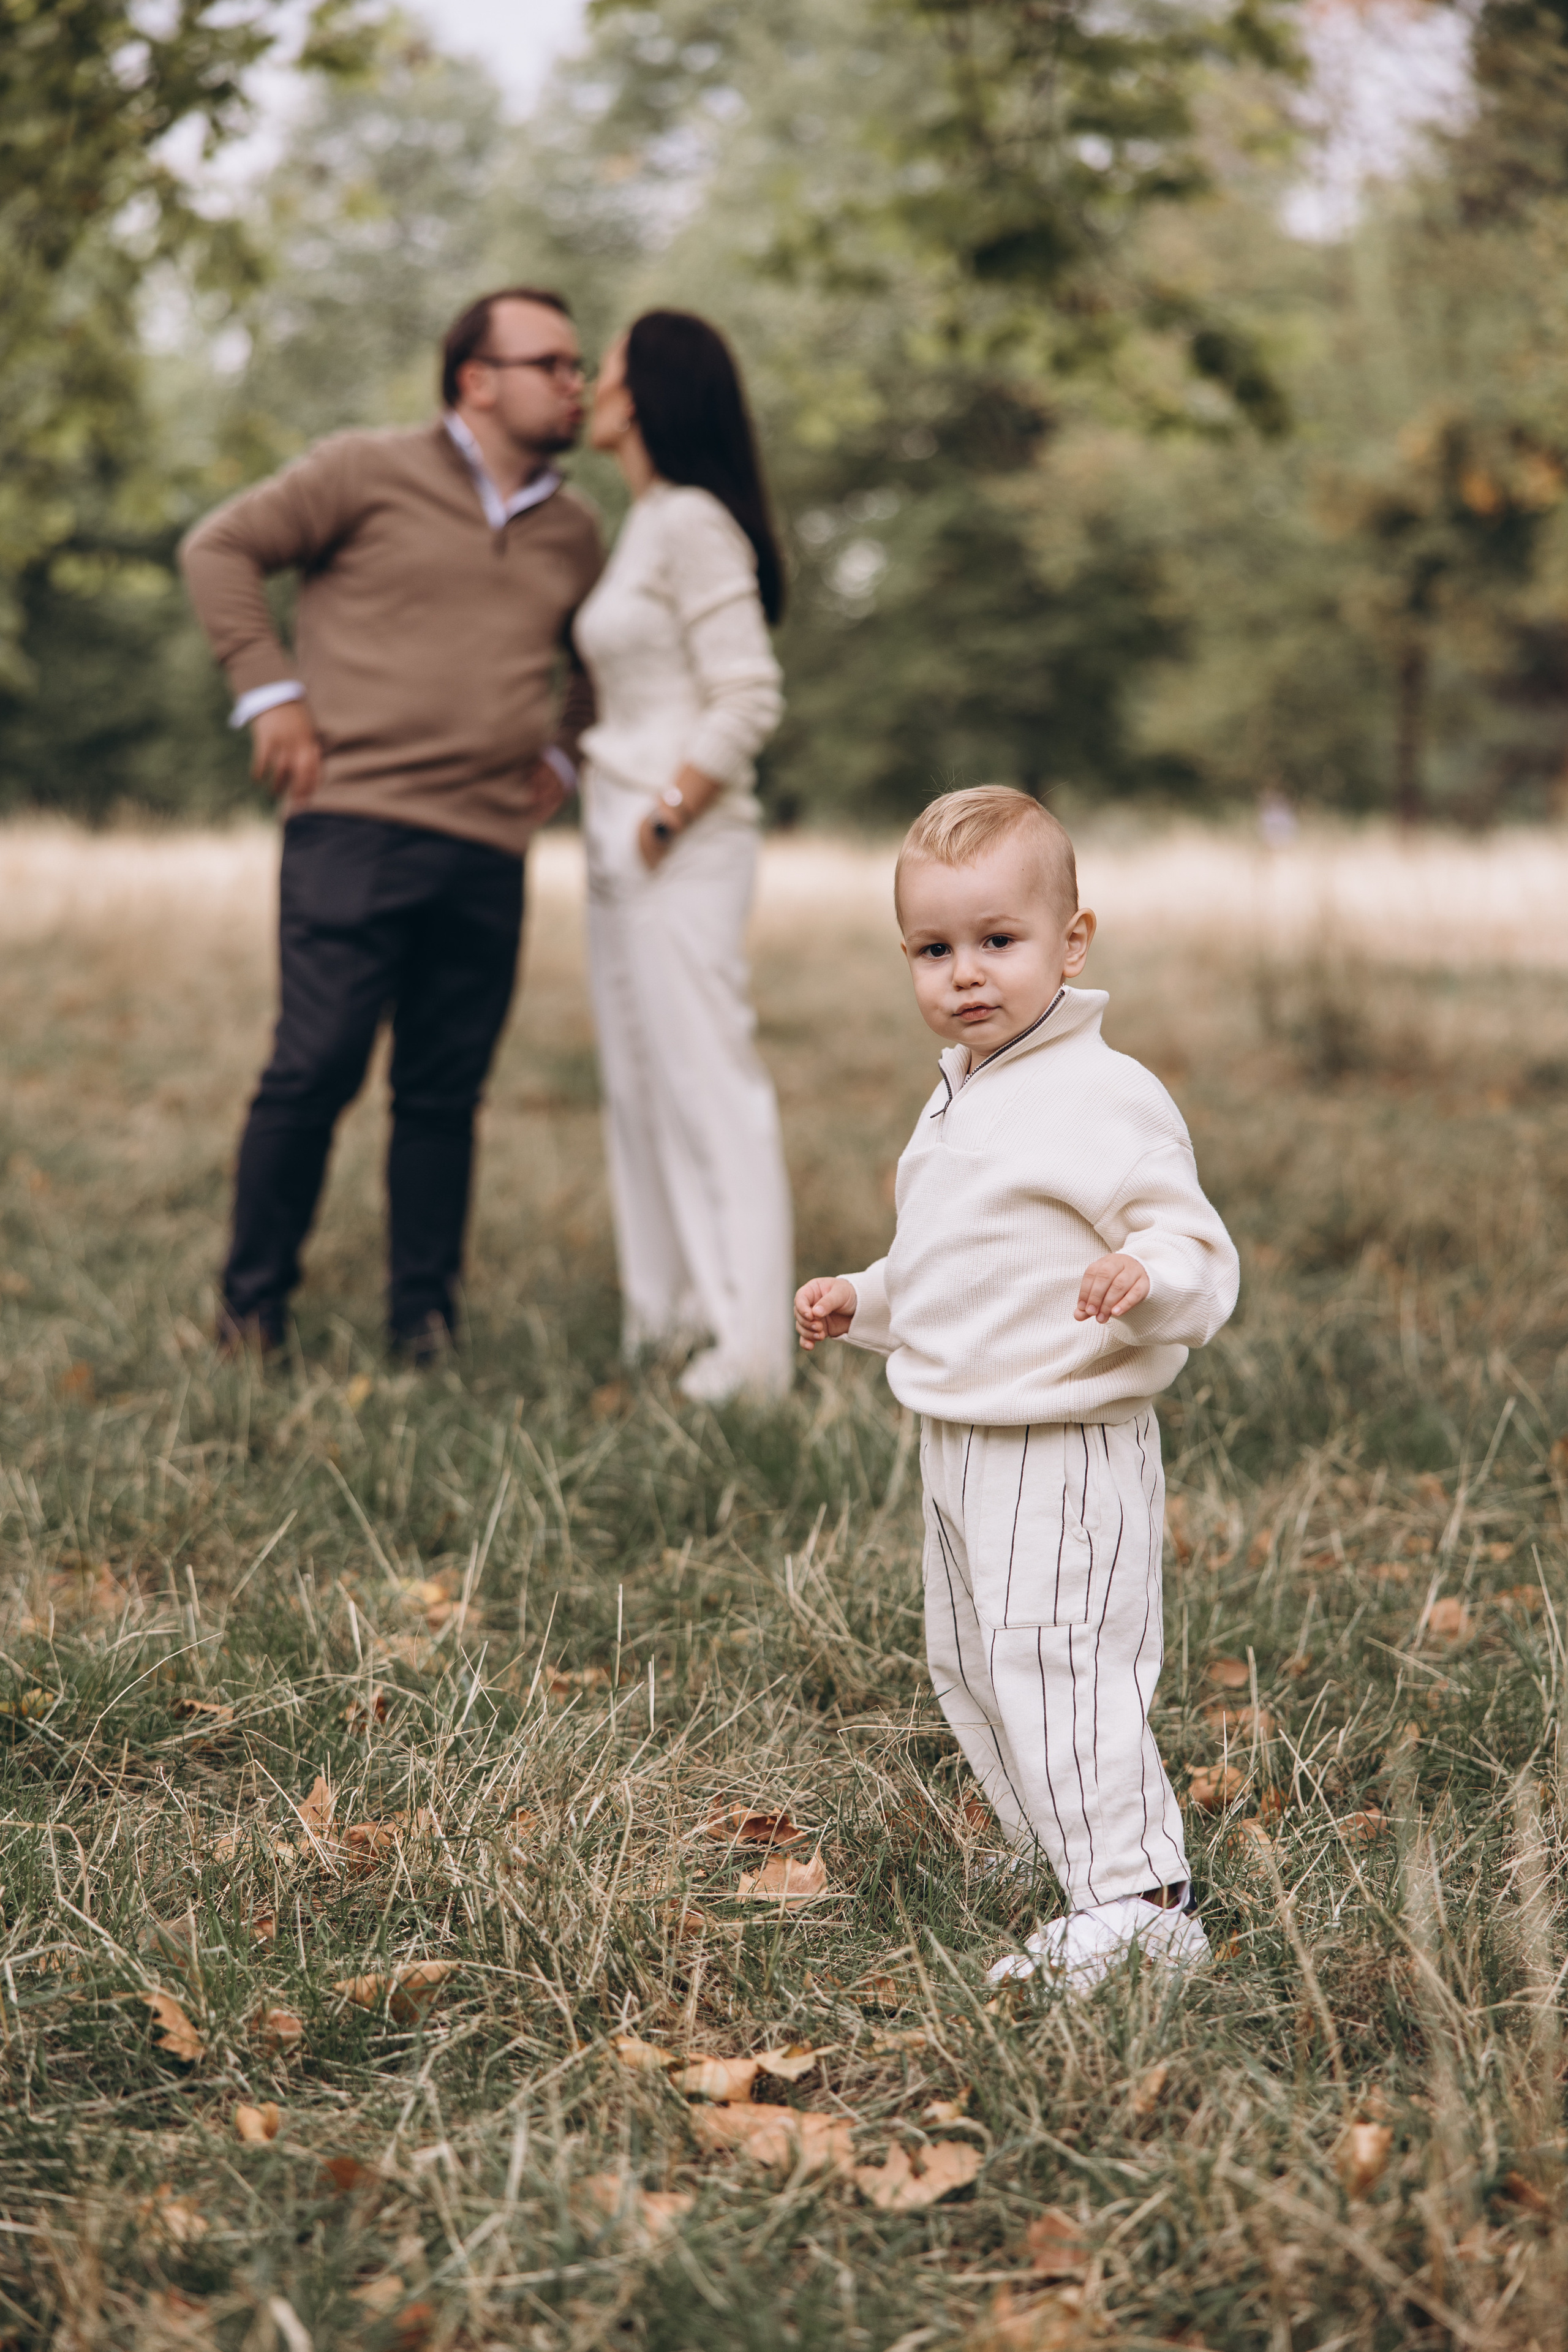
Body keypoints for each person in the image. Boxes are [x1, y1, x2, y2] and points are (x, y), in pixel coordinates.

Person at [794, 786, 1240, 1986]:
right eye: (934, 951)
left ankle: (1138, 1902)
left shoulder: (1105, 1097)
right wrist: (862, 1300)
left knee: (1061, 1658)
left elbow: (1197, 1256)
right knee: (974, 1662)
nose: (966, 974)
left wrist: (1139, 1276)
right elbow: (954, 1269)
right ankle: (1069, 1856)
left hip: (1063, 1438)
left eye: (998, 941)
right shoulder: (959, 1099)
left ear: (1071, 942)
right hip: (959, 1435)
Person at [180, 287, 603, 1360]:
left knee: (443, 1092)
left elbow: (604, 658)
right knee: (313, 1068)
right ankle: (250, 1316)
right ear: (476, 379)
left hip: (489, 849)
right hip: (353, 826)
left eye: (578, 364)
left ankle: (423, 1324)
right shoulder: (364, 470)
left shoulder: (576, 528)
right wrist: (269, 691)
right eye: (550, 362)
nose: (576, 382)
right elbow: (219, 548)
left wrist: (563, 747)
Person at [573, 311, 793, 1404]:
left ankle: (752, 1351)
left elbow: (748, 692)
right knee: (638, 1081)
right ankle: (667, 1315)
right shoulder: (648, 521)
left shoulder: (695, 521)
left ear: (649, 391)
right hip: (619, 838)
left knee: (709, 1083)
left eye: (605, 367)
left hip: (680, 843)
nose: (589, 385)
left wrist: (662, 818)